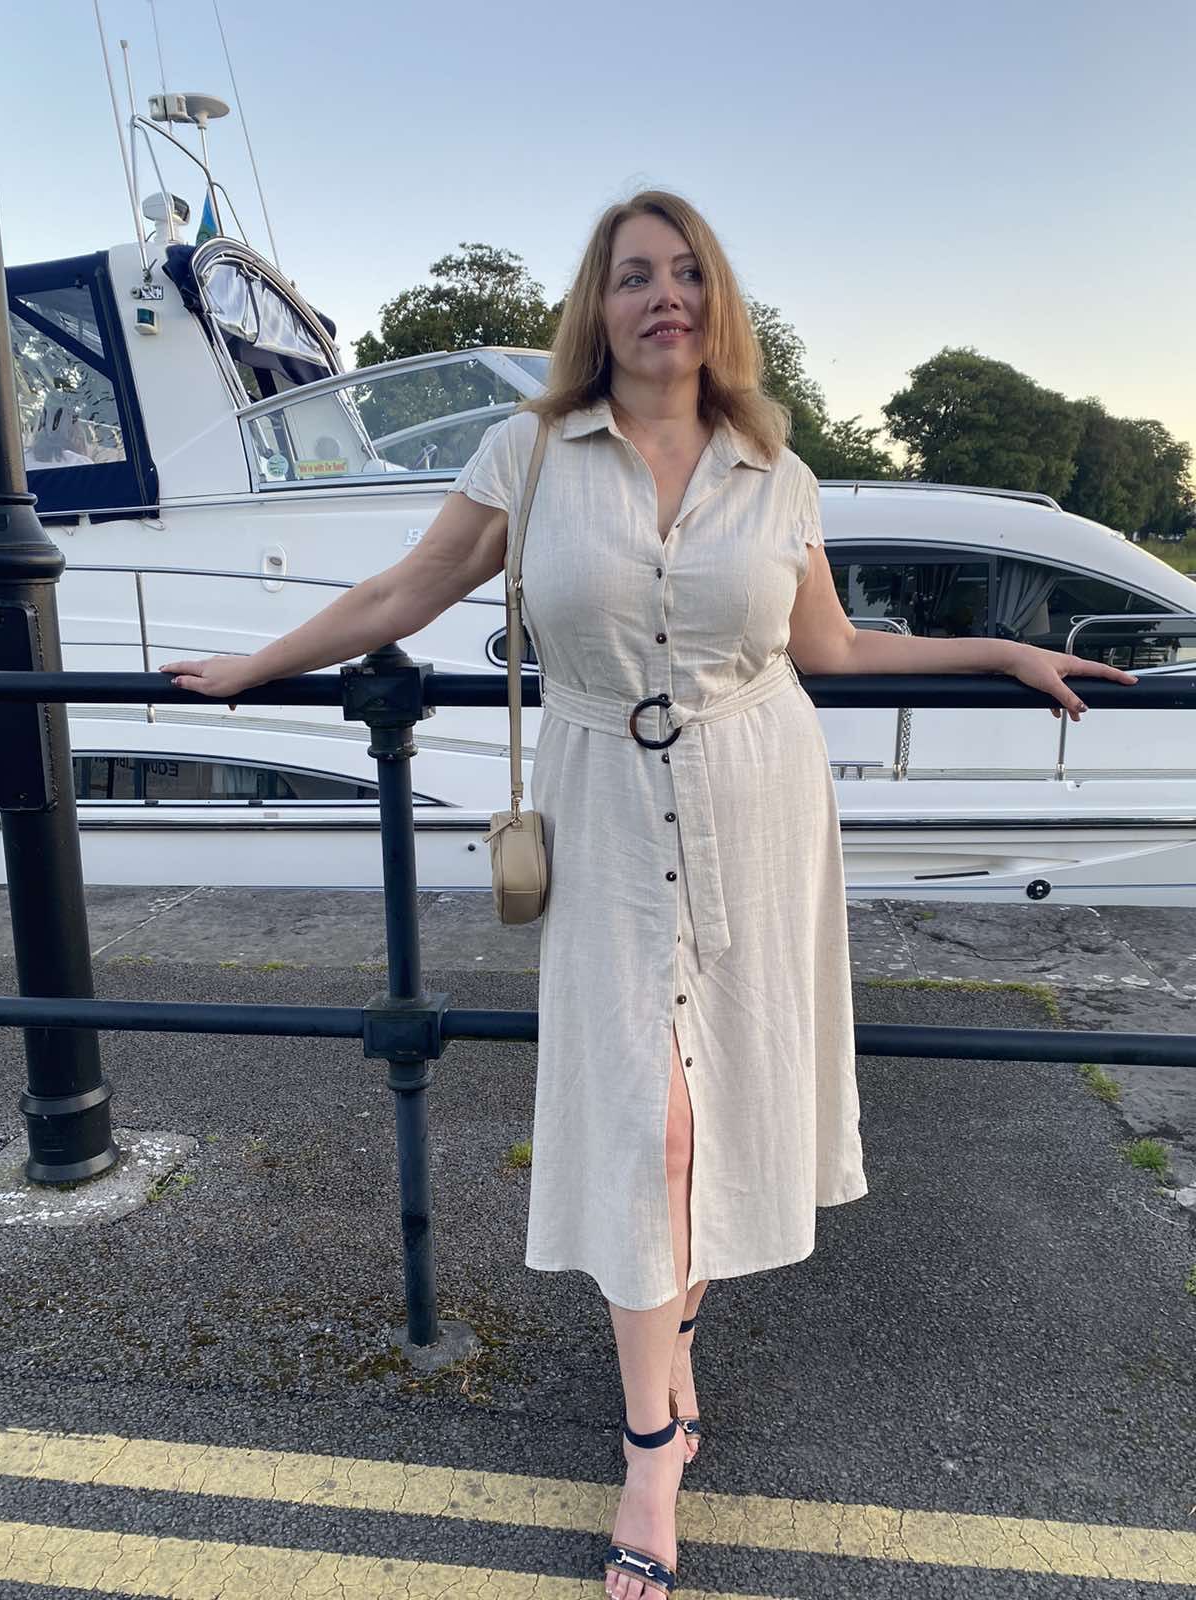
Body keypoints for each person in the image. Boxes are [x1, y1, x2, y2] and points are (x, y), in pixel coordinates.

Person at [162, 190, 1136, 1600]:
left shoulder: (773, 466)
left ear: (714, 302)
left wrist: (999, 653)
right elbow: (403, 593)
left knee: (713, 1111)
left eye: (686, 273)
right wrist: (254, 668)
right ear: (599, 307)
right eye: (634, 276)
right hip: (606, 812)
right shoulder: (531, 451)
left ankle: (669, 1375)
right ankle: (650, 1438)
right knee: (650, 1126)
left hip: (755, 803)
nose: (663, 296)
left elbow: (830, 648)